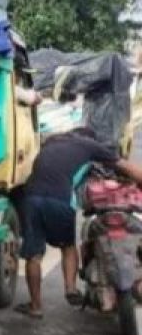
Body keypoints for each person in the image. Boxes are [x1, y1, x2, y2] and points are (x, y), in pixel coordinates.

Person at [15, 127, 142, 319]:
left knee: (34, 255)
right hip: (60, 199)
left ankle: (35, 306)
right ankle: (71, 289)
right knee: (67, 245)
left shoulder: (52, 142)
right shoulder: (90, 145)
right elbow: (126, 167)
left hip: (32, 197)